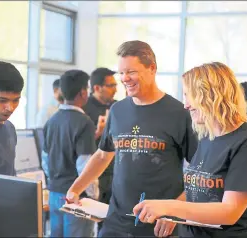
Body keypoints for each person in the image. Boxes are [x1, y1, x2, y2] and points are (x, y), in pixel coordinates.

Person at [66, 40, 198, 237]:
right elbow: (103, 156)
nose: (124, 78)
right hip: (116, 222)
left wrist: (176, 211)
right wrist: (76, 188)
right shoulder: (117, 110)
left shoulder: (179, 113)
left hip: (159, 225)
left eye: (131, 72)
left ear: (152, 68)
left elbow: (201, 171)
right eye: (121, 73)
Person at [133, 62, 247, 237]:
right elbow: (197, 192)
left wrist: (169, 206)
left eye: (189, 96)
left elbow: (230, 212)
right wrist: (170, 213)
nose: (186, 105)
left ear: (210, 95)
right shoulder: (207, 137)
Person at [42, 69, 98, 237]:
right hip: (77, 197)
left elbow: (45, 159)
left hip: (54, 193)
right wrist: (92, 195)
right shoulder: (84, 123)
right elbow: (85, 165)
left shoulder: (51, 121)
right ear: (82, 92)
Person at [82, 67, 118, 233]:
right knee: (93, 222)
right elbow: (82, 145)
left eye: (115, 85)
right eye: (111, 85)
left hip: (116, 171)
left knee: (111, 220)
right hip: (95, 173)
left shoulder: (118, 107)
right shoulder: (84, 109)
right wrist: (98, 133)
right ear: (97, 88)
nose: (115, 89)